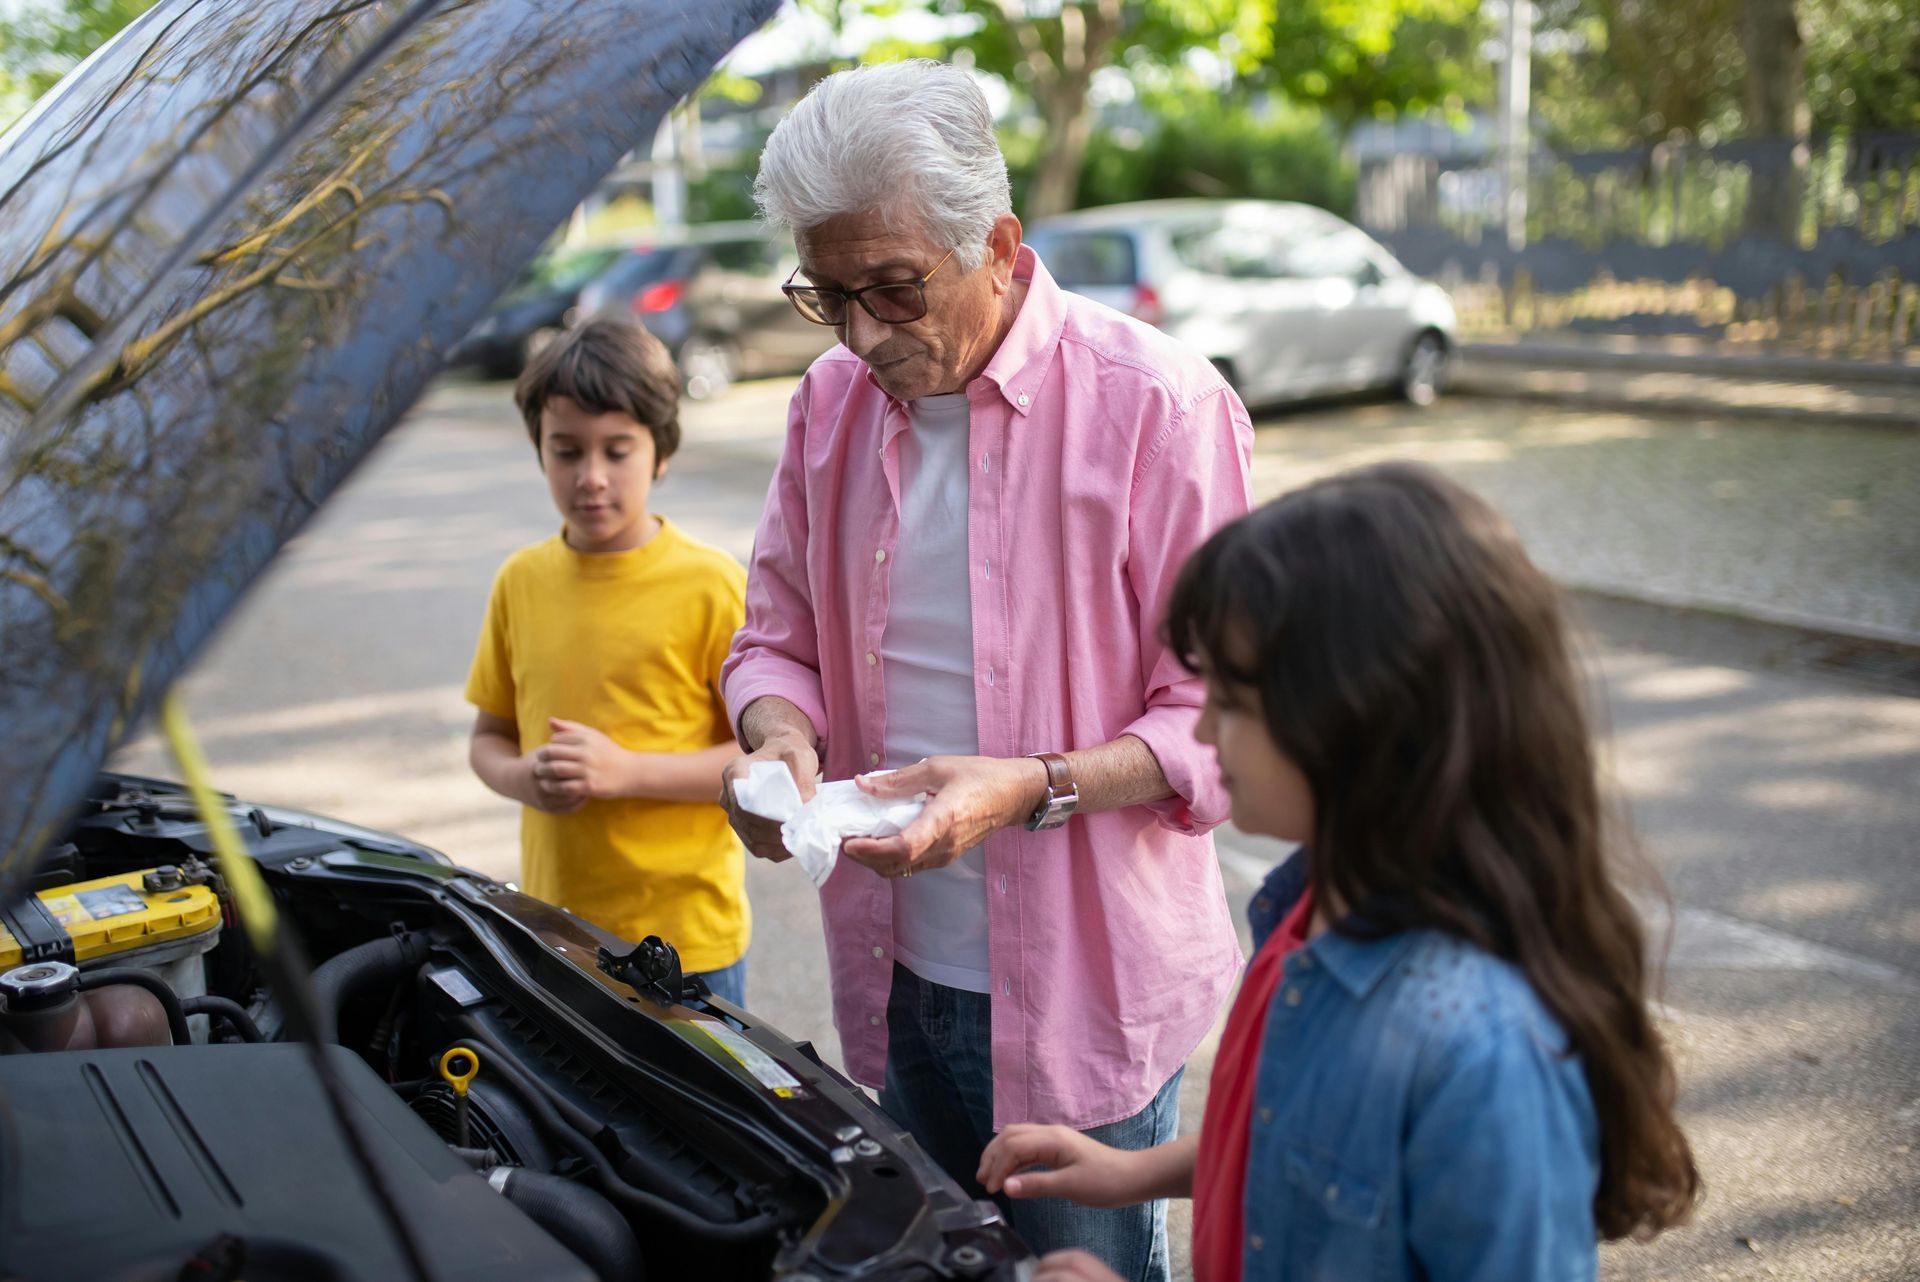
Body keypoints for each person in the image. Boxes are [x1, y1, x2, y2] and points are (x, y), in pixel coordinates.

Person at [718, 60, 1250, 1281]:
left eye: (893, 289)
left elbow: (1221, 716)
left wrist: (1029, 786)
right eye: (827, 294)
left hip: (1083, 992)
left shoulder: (1161, 409)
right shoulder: (827, 406)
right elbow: (772, 636)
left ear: (1000, 243)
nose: (861, 334)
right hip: (895, 968)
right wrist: (777, 741)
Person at [978, 462, 1701, 1281]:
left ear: (1367, 718)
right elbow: (1305, 1147)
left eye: (1237, 702)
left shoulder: (1483, 1057)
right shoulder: (1306, 908)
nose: (1205, 728)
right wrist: (1136, 1172)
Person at [466, 317, 751, 1004]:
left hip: (687, 939)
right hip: (558, 928)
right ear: (539, 451)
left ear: (661, 451)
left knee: (700, 1110)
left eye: (617, 451)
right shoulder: (521, 581)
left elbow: (757, 761)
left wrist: (626, 771)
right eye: (566, 452)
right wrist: (521, 777)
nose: (591, 478)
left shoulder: (710, 583)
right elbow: (489, 739)